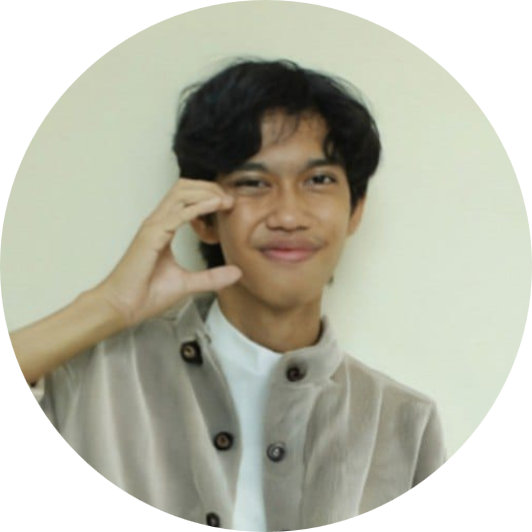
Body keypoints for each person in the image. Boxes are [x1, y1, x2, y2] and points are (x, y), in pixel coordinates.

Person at [10, 58, 446, 529]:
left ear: (355, 209)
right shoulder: (97, 383)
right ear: (203, 216)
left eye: (319, 180)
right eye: (253, 182)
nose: (288, 215)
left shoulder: (404, 424)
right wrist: (109, 306)